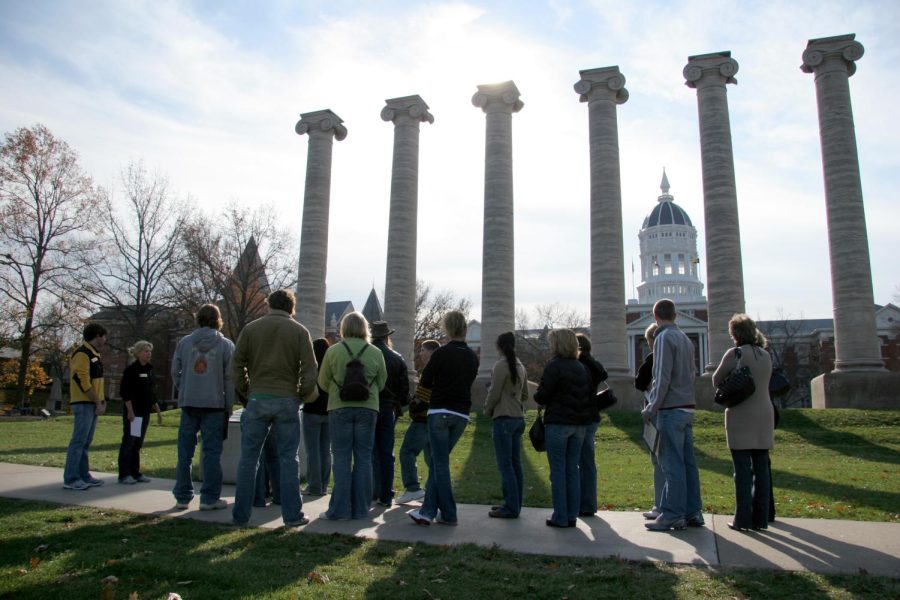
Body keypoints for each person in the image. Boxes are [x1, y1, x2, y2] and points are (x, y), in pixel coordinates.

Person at [231, 289, 318, 527]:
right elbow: (310, 370)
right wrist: (300, 395)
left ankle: (240, 515)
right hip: (287, 400)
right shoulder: (300, 331)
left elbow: (236, 364)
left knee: (248, 459)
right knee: (289, 459)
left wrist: (247, 391)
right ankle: (292, 516)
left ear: (269, 304)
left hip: (257, 398)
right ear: (292, 307)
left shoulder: (251, 329)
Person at [408, 310, 478, 526]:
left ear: (447, 328)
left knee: (440, 465)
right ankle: (437, 512)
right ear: (465, 329)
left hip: (439, 412)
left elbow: (426, 382)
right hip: (461, 415)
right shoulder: (472, 357)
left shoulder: (441, 353)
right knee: (440, 463)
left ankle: (439, 512)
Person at [641, 298, 703, 531]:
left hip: (670, 410)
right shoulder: (685, 339)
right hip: (687, 407)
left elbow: (661, 376)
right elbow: (692, 373)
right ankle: (692, 512)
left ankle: (672, 515)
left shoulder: (663, 338)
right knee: (688, 463)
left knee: (671, 464)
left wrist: (651, 407)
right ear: (675, 315)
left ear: (655, 317)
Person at [318, 311, 387, 520]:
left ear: (343, 328)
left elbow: (322, 382)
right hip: (368, 408)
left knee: (341, 457)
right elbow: (382, 383)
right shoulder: (375, 352)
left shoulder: (333, 351)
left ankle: (339, 509)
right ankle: (360, 509)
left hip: (339, 407)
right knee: (364, 458)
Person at [713, 313, 774, 531]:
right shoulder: (765, 355)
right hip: (765, 414)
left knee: (742, 470)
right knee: (762, 470)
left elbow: (716, 380)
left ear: (735, 333)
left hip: (741, 414)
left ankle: (742, 519)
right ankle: (761, 519)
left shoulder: (735, 353)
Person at [171, 304, 235, 511]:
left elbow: (175, 371)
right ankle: (209, 498)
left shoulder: (184, 342)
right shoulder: (226, 345)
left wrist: (184, 389)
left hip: (189, 402)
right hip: (214, 404)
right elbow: (229, 379)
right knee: (212, 453)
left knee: (185, 452)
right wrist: (228, 406)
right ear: (218, 320)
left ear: (198, 319)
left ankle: (182, 496)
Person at [534, 328, 593, 528]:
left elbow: (542, 395)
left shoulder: (554, 366)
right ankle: (571, 515)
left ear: (557, 344)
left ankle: (560, 516)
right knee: (572, 470)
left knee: (558, 471)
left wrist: (539, 397)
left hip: (558, 424)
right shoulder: (581, 367)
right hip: (579, 426)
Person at [484, 332, 529, 519]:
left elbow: (494, 393)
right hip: (518, 417)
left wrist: (487, 410)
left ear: (498, 346)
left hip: (503, 417)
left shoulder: (500, 365)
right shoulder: (521, 366)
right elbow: (525, 394)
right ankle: (514, 504)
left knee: (505, 466)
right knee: (515, 464)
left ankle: (510, 507)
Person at [63, 323, 108, 490]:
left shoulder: (94, 354)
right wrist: (97, 401)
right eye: (104, 336)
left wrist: (101, 401)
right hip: (84, 403)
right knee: (78, 441)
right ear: (98, 335)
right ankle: (71, 478)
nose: (105, 339)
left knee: (86, 441)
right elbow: (82, 381)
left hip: (93, 402)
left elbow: (97, 381)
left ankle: (83, 475)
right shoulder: (82, 353)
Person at [370, 321, 410, 507]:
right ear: (387, 337)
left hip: (368, 406)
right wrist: (400, 404)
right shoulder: (397, 357)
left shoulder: (366, 354)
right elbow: (404, 390)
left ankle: (371, 491)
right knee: (386, 452)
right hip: (388, 409)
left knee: (369, 451)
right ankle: (386, 494)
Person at [396, 339, 439, 505]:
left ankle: (413, 488)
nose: (420, 353)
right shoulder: (441, 368)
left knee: (407, 451)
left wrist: (413, 404)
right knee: (431, 458)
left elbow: (424, 395)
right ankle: (434, 491)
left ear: (431, 351)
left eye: (423, 350)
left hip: (422, 419)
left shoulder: (431, 368)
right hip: (433, 419)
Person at [117, 340, 162, 485]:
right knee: (129, 442)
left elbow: (152, 393)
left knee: (138, 443)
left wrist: (159, 412)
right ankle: (124, 474)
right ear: (137, 353)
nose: (148, 354)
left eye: (149, 351)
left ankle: (135, 472)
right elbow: (125, 393)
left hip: (145, 412)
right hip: (134, 413)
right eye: (145, 351)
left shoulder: (149, 370)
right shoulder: (131, 370)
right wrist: (130, 412)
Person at [575, 333, 607, 517]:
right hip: (592, 417)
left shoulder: (579, 364)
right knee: (587, 462)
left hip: (581, 417)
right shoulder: (592, 364)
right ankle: (588, 504)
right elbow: (603, 374)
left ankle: (582, 503)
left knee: (578, 462)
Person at [634, 323, 664, 520]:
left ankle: (661, 506)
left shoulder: (654, 358)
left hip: (658, 412)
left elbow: (639, 382)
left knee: (660, 459)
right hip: (682, 411)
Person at [301, 338, 332, 496]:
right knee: (326, 450)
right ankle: (324, 485)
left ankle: (314, 485)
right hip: (328, 411)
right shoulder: (331, 365)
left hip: (311, 410)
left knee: (312, 450)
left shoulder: (311, 366)